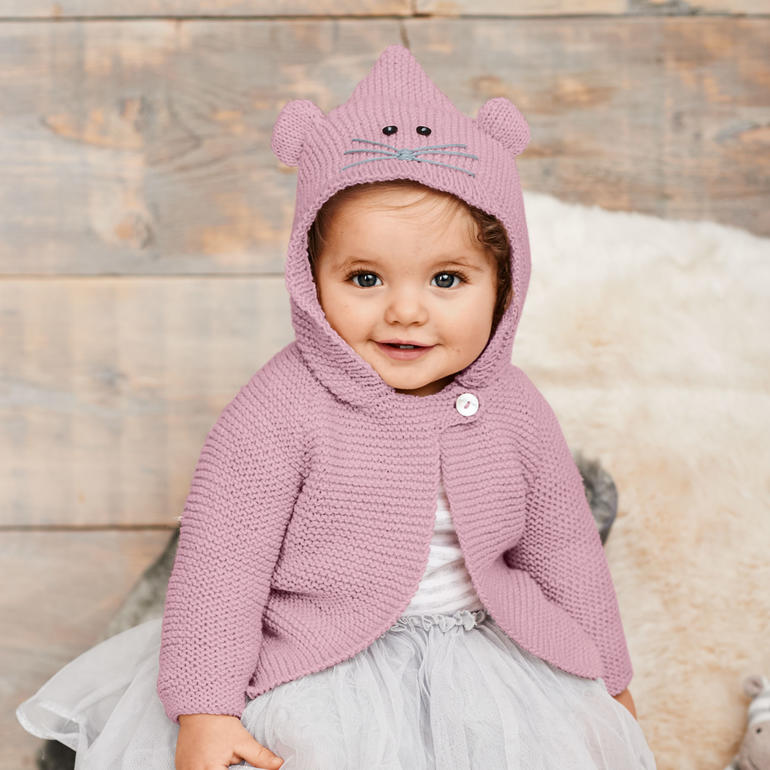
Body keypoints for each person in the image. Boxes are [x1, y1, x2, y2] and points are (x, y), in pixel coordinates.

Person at [15, 44, 657, 769]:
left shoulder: (515, 407)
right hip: (317, 667)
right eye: (364, 278)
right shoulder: (280, 407)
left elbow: (564, 551)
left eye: (447, 279)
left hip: (488, 662)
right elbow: (220, 564)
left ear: (503, 284)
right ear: (309, 278)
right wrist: (206, 709)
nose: (406, 311)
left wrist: (610, 677)